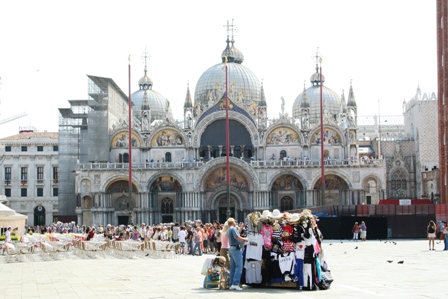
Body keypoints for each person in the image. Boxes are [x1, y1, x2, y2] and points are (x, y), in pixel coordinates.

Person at [226, 217, 248, 291]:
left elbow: (234, 235)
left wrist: (241, 227)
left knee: (232, 267)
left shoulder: (229, 229)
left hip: (231, 248)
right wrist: (244, 239)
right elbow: (237, 237)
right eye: (235, 222)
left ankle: (232, 284)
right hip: (236, 249)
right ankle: (235, 284)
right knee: (239, 266)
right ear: (232, 222)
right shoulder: (232, 228)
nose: (236, 223)